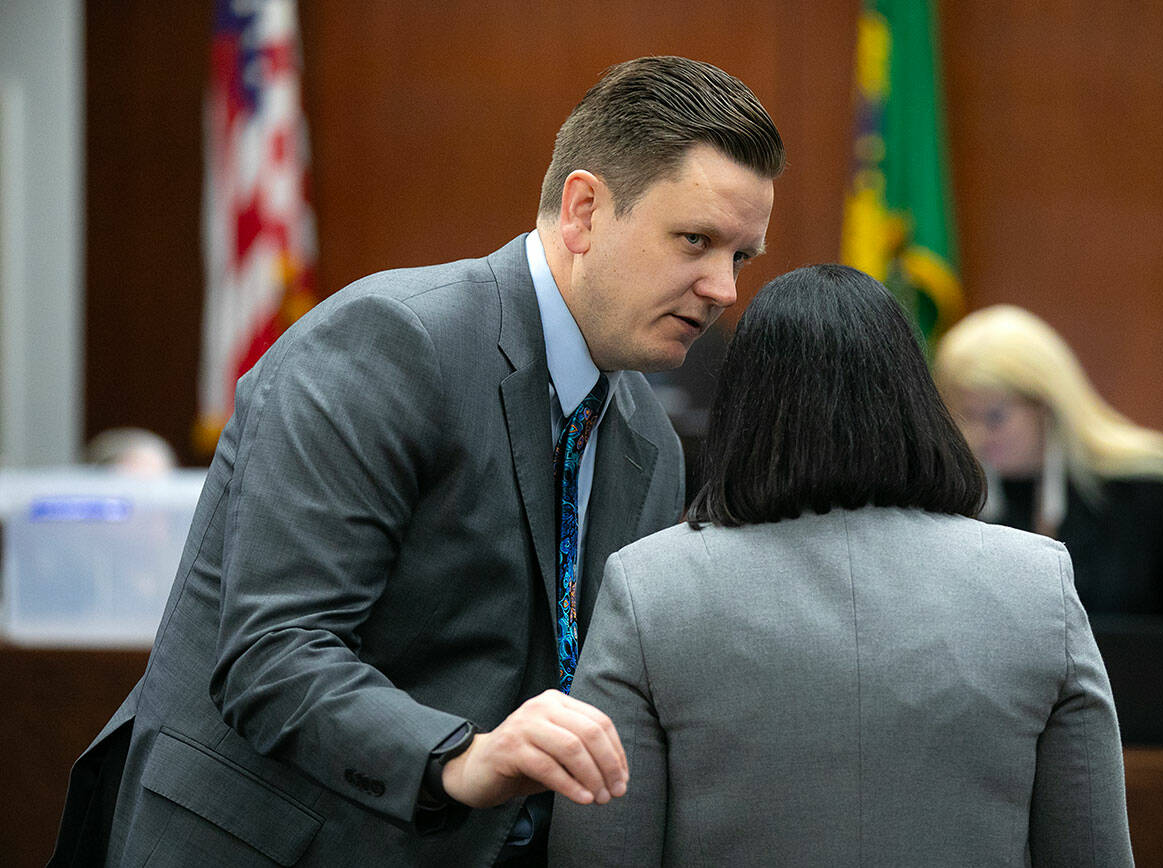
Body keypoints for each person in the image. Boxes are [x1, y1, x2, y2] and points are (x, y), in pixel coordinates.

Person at [51, 56, 783, 867]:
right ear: (582, 211)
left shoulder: (647, 436)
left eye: (741, 258)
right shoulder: (390, 341)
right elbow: (277, 654)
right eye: (695, 241)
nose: (722, 289)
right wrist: (460, 760)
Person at [549, 265, 1133, 866]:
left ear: (744, 410)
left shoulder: (648, 590)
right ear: (916, 400)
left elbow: (600, 849)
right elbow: (1093, 849)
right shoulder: (1038, 585)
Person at [933, 304, 1163, 618]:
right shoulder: (953, 502)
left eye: (994, 417)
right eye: (963, 418)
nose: (976, 437)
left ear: (1046, 406)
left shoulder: (1153, 490)